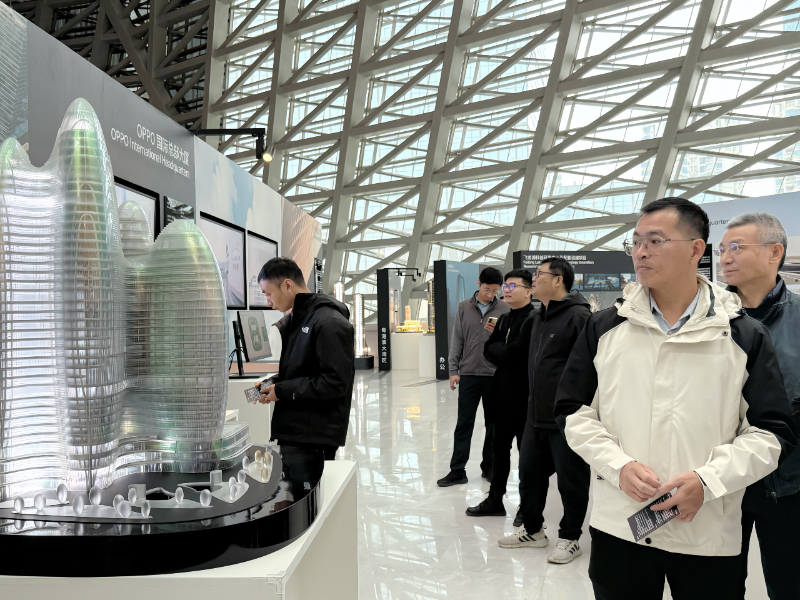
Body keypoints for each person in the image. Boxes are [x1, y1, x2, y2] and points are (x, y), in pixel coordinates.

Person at [553, 198, 797, 600]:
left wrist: (708, 480)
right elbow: (571, 412)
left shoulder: (741, 334)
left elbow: (771, 432)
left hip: (705, 530)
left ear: (695, 249)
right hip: (622, 526)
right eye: (635, 242)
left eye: (655, 240)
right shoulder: (604, 327)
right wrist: (618, 466)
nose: (641, 251)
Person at [718, 213, 800, 599]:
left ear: (774, 252)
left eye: (736, 247)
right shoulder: (707, 321)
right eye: (722, 249)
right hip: (718, 483)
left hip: (788, 485)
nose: (724, 258)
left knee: (788, 584)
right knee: (716, 586)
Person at [498, 257, 592, 566]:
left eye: (539, 274)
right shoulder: (538, 317)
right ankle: (533, 530)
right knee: (529, 475)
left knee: (570, 480)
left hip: (566, 417)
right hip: (535, 415)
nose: (534, 279)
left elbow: (590, 369)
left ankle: (570, 537)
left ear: (558, 280)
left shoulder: (579, 317)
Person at [255, 257, 355, 460]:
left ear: (288, 285)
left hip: (314, 437)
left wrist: (282, 391)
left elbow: (334, 383)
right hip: (297, 432)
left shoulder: (329, 323)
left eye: (268, 294)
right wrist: (274, 384)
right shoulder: (300, 319)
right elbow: (305, 370)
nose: (268, 302)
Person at [466, 268, 535, 517]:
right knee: (499, 451)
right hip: (501, 396)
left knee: (527, 456)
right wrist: (502, 351)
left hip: (525, 399)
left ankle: (528, 507)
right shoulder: (505, 318)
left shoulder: (534, 319)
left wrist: (501, 350)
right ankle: (495, 500)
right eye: (505, 286)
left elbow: (515, 354)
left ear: (529, 291)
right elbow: (488, 349)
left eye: (512, 286)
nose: (506, 290)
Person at [437, 267, 509, 487]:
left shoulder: (504, 308)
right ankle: (457, 470)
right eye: (487, 289)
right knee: (464, 424)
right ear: (478, 283)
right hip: (468, 374)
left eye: (495, 291)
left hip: (494, 375)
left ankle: (489, 467)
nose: (490, 294)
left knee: (493, 426)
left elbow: (509, 343)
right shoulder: (463, 307)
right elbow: (457, 340)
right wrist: (453, 370)